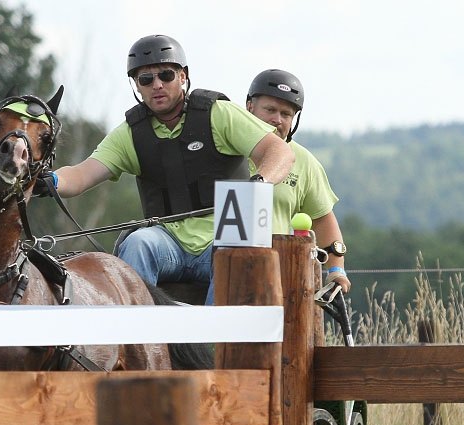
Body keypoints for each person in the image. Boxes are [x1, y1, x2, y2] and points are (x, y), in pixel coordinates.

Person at [50, 34, 295, 303]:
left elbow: (280, 152)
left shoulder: (219, 113)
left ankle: (213, 340)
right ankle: (136, 339)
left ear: (183, 77)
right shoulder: (130, 133)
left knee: (235, 241)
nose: (157, 85)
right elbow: (82, 174)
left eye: (166, 75)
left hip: (223, 240)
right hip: (167, 244)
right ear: (136, 85)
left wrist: (259, 183)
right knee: (137, 242)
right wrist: (48, 179)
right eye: (146, 79)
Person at [245, 69, 350, 294]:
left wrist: (336, 270)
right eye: (270, 110)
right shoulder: (224, 148)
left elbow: (322, 219)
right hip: (223, 263)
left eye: (286, 114)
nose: (277, 120)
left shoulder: (304, 161)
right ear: (249, 107)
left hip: (278, 273)